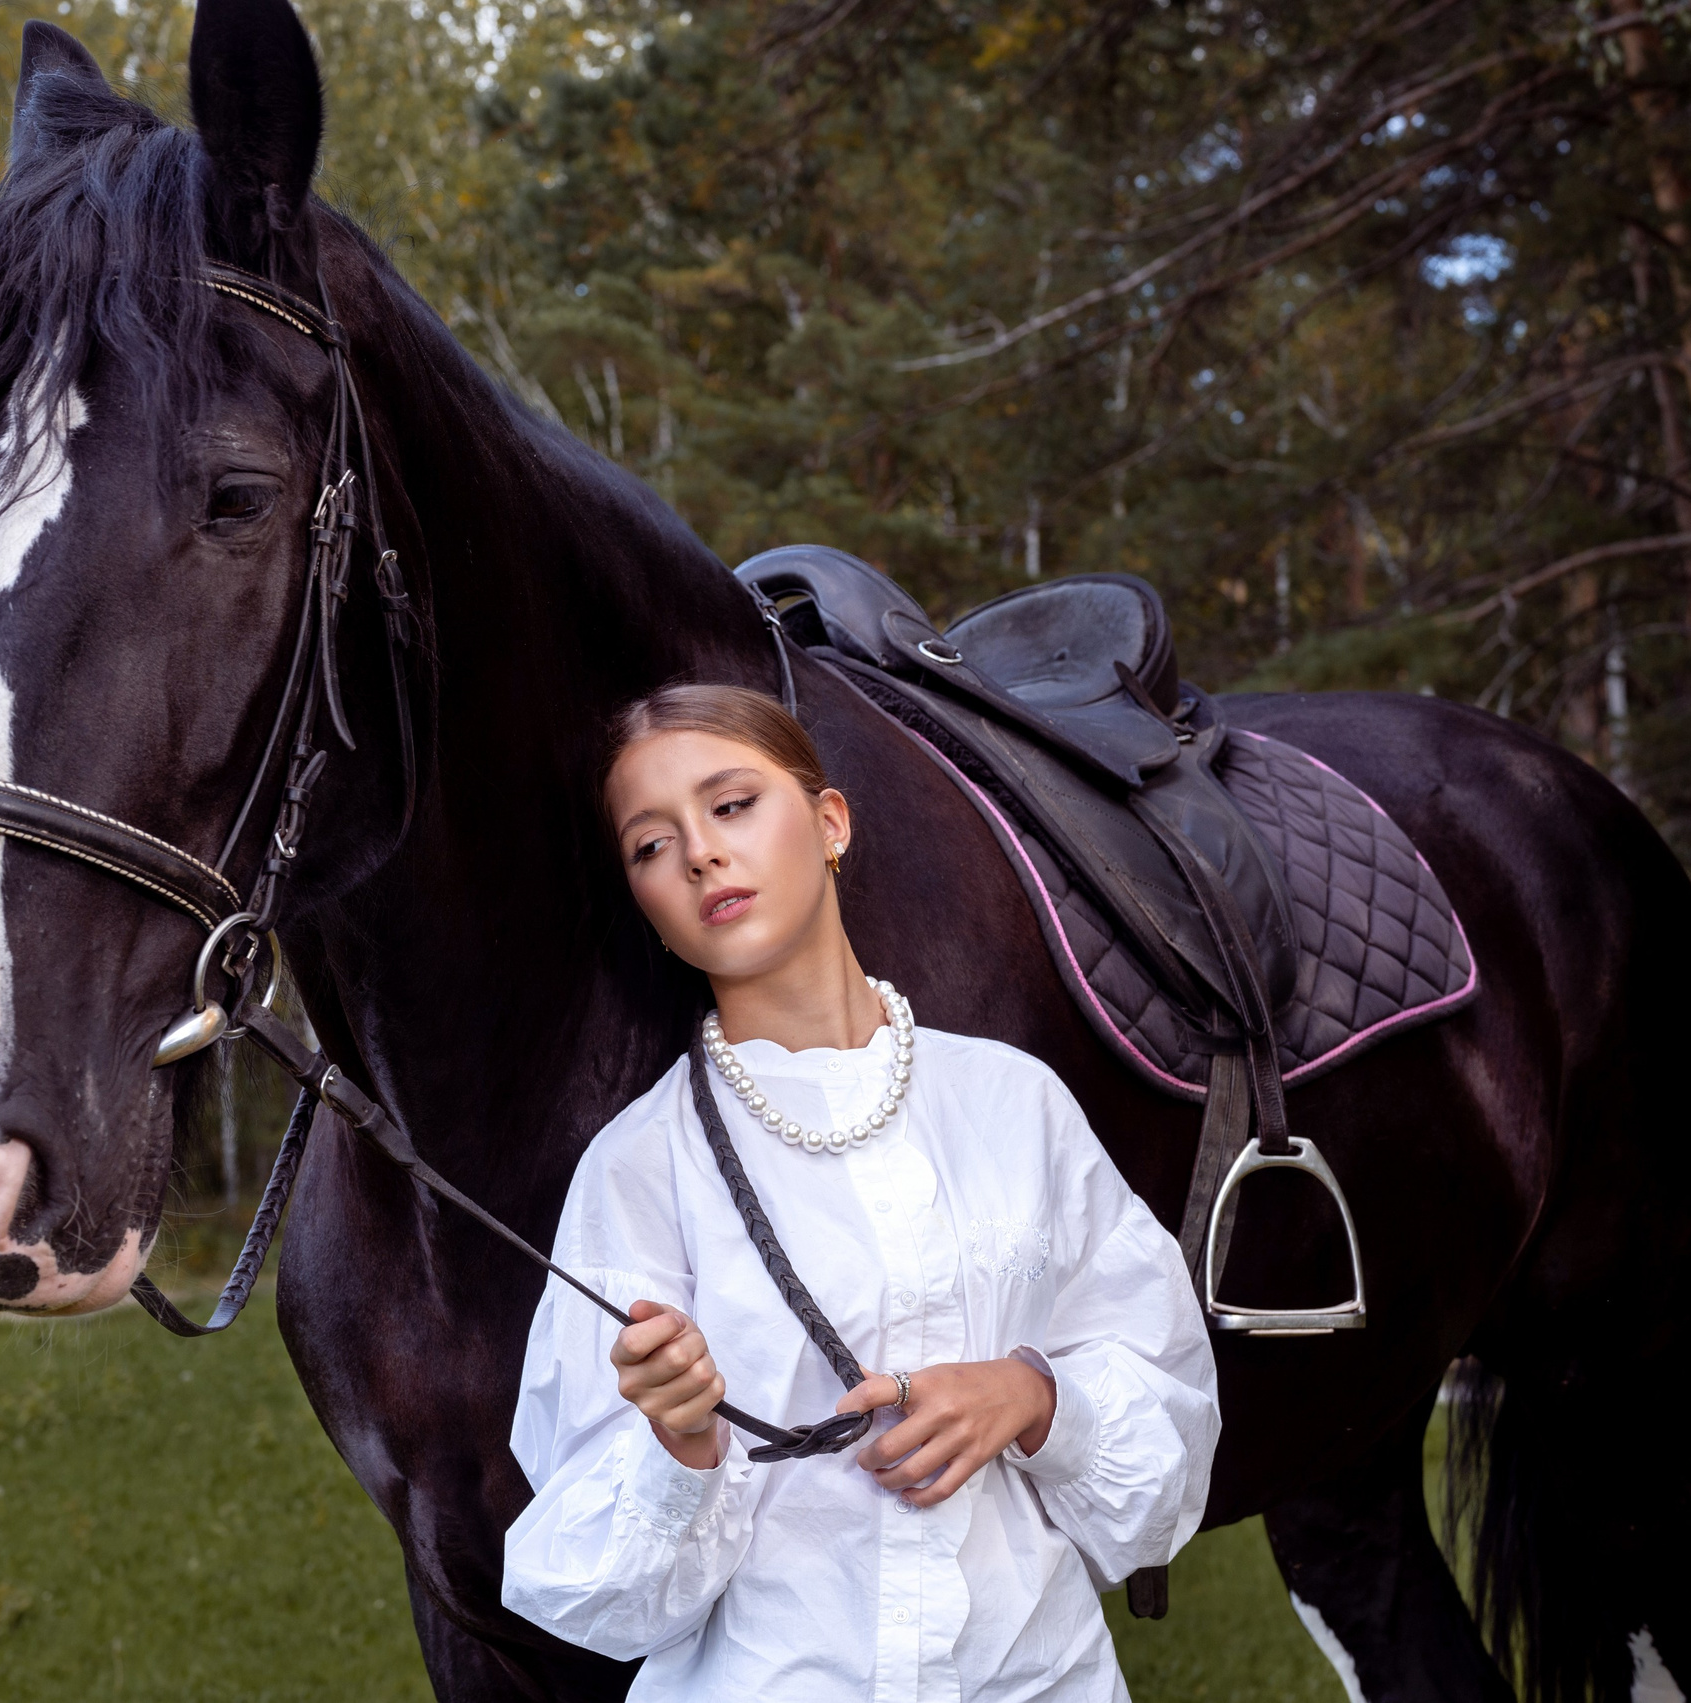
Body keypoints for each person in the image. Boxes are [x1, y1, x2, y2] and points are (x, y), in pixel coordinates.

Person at [500, 682, 1219, 1701]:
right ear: (648, 908)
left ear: (829, 822)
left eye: (731, 803)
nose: (699, 852)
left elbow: (1166, 1441)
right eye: (651, 845)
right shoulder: (637, 1168)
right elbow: (602, 1598)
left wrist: (1031, 1393)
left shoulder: (1014, 1103)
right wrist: (679, 1439)